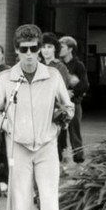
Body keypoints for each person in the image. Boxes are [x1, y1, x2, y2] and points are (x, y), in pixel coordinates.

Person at [0, 24, 74, 210]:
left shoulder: (53, 75)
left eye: (33, 49)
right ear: (16, 50)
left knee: (49, 200)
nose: (29, 54)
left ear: (39, 49)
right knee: (21, 201)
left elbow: (69, 106)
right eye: (24, 49)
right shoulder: (5, 78)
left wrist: (64, 116)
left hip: (47, 146)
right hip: (18, 147)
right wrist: (8, 126)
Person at [39, 32, 71, 163]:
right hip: (37, 110)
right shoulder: (36, 65)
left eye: (49, 47)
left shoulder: (60, 67)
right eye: (43, 47)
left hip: (54, 112)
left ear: (55, 48)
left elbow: (60, 91)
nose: (46, 50)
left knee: (55, 145)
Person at [59, 36, 90, 164]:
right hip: (59, 104)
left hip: (73, 103)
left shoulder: (78, 65)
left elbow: (84, 85)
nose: (59, 49)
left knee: (74, 133)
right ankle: (61, 161)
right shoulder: (57, 64)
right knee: (59, 134)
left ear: (70, 49)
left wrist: (72, 93)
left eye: (62, 47)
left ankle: (79, 160)